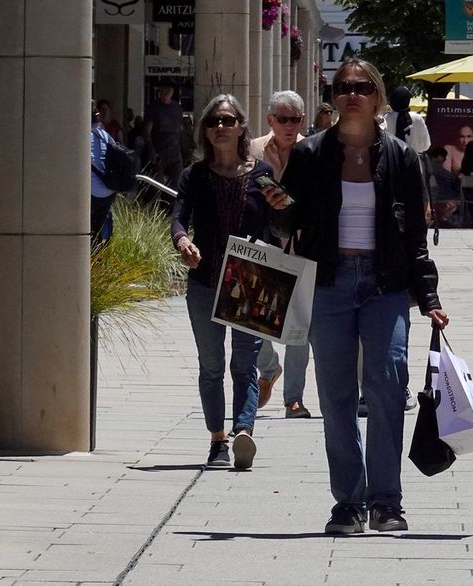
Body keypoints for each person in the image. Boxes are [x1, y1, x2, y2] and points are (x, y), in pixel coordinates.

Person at [263, 59, 449, 535]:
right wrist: (276, 205)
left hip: (385, 284)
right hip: (330, 282)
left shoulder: (401, 157)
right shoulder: (310, 154)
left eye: (363, 87)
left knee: (387, 389)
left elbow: (414, 237)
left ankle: (387, 501)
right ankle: (348, 502)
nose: (353, 94)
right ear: (334, 94)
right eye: (344, 86)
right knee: (337, 395)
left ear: (378, 96)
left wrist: (428, 297)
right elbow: (288, 222)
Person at [171, 93, 277, 470]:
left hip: (249, 283)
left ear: (241, 127)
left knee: (244, 365)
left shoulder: (262, 173)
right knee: (212, 365)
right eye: (214, 121)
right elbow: (179, 216)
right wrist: (183, 240)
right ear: (205, 130)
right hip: (204, 281)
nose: (220, 127)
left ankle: (244, 430)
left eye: (228, 120)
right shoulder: (195, 175)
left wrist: (284, 209)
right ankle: (218, 439)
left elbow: (283, 223)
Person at [248, 90, 312, 419]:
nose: (289, 125)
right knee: (251, 319)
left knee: (298, 327)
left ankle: (293, 400)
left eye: (295, 119)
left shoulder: (312, 152)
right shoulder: (254, 150)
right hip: (261, 242)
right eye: (282, 119)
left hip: (300, 245)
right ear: (270, 120)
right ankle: (269, 367)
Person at [144, 83, 185, 193]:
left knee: (176, 186)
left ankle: (172, 209)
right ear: (160, 90)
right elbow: (147, 131)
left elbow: (180, 131)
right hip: (159, 152)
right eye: (165, 88)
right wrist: (151, 150)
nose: (167, 91)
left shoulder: (177, 107)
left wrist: (184, 149)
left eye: (170, 88)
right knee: (156, 186)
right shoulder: (153, 107)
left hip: (175, 152)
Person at [90, 103, 117, 244]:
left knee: (88, 228)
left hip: (92, 192)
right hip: (109, 190)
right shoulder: (104, 135)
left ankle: (93, 257)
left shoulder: (81, 137)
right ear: (97, 117)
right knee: (99, 226)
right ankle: (100, 252)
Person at [381, 86, 430, 153]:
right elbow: (426, 145)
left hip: (392, 161)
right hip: (414, 160)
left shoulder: (385, 119)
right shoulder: (417, 118)